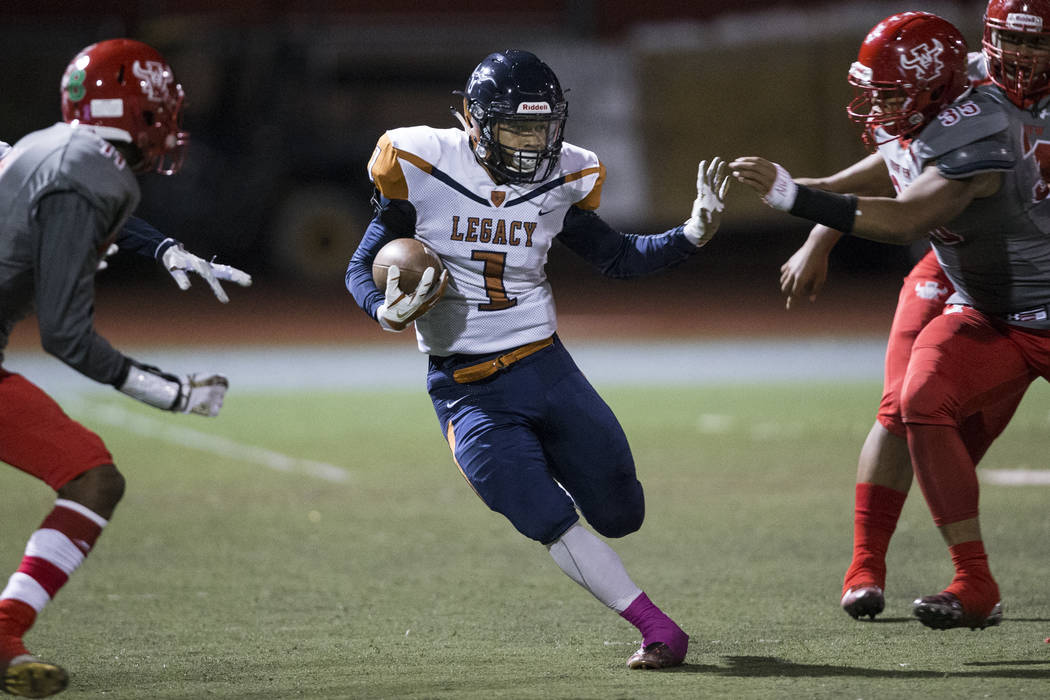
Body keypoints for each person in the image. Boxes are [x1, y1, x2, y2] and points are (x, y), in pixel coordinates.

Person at [346, 49, 729, 669]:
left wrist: (690, 234)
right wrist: (382, 310)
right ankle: (657, 628)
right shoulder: (421, 162)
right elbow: (360, 267)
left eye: (542, 127)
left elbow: (618, 258)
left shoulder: (566, 175)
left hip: (546, 368)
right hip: (467, 388)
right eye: (515, 127)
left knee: (621, 512)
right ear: (474, 121)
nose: (530, 142)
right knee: (545, 515)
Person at [732, 7, 1050, 630]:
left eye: (1030, 40)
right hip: (978, 278)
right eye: (1005, 36)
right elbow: (901, 165)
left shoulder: (971, 114)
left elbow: (906, 208)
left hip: (1012, 267)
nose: (1015, 53)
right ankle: (911, 570)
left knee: (938, 420)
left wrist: (800, 200)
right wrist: (818, 225)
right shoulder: (960, 88)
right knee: (913, 403)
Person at [0, 39, 248, 698]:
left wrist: (162, 247)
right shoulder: (96, 173)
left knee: (90, 474)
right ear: (139, 108)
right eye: (161, 103)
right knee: (90, 477)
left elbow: (64, 203)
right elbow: (66, 335)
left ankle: (2, 636)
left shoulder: (41, 144)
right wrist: (169, 393)